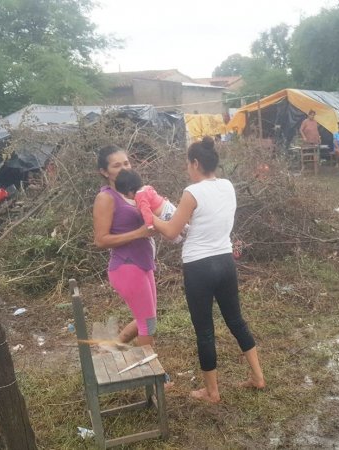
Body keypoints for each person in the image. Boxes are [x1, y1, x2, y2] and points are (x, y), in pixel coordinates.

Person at [152, 137, 265, 403]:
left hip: (199, 267)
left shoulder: (192, 192)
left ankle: (212, 392)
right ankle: (258, 377)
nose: (187, 169)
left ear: (195, 163)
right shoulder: (227, 186)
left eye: (188, 164)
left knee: (204, 331)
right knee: (236, 321)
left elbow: (170, 232)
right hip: (225, 262)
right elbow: (206, 223)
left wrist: (150, 217)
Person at [92, 145, 158, 348]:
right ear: (104, 172)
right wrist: (139, 233)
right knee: (148, 323)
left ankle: (111, 348)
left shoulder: (133, 192)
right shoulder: (106, 198)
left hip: (143, 263)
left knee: (148, 317)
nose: (124, 168)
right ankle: (154, 376)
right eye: (116, 165)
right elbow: (101, 240)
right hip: (126, 267)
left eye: (126, 163)